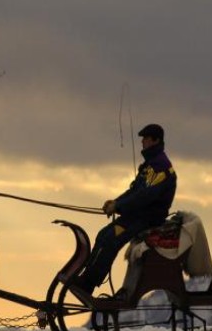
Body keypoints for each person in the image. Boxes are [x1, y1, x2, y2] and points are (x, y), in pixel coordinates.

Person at [73, 123, 177, 295]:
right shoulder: (151, 165)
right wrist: (115, 203)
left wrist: (118, 206)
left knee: (111, 238)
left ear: (155, 140)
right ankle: (87, 279)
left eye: (145, 138)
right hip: (137, 216)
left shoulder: (160, 167)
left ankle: (88, 284)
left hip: (147, 219)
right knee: (103, 235)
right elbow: (134, 191)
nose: (142, 142)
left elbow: (144, 196)